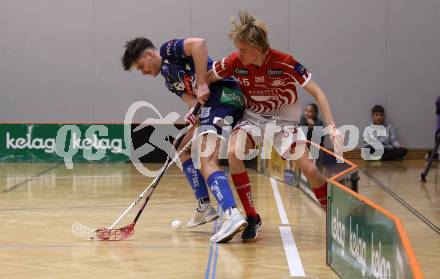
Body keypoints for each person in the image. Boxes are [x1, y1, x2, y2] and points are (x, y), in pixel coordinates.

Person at [204, 11, 343, 241]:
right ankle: (251, 217)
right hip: (253, 119)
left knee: (311, 170)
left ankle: (334, 218)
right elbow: (207, 78)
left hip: (285, 123)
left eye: (244, 50)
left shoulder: (286, 63)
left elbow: (318, 91)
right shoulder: (234, 62)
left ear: (259, 47)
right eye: (238, 49)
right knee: (233, 153)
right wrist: (199, 94)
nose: (239, 54)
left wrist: (332, 126)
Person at [121, 37, 247, 243]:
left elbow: (199, 44)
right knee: (181, 148)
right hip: (213, 105)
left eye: (141, 66)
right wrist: (192, 112)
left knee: (207, 161)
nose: (143, 72)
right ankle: (205, 205)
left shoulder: (168, 51)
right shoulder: (169, 80)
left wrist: (203, 82)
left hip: (224, 95)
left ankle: (231, 214)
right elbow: (193, 102)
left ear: (149, 54)